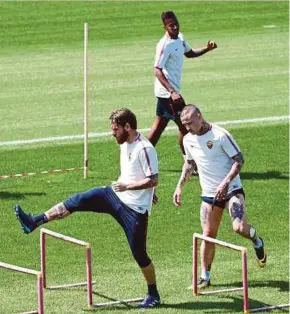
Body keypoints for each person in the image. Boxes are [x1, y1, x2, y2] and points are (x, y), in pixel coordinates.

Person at [14, 108, 161, 308]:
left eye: (115, 129)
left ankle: (153, 295)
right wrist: (134, 187)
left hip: (134, 209)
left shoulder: (145, 148)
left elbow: (153, 179)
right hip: (114, 195)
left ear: (127, 127)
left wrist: (135, 188)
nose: (112, 133)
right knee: (78, 200)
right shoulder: (125, 143)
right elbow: (138, 174)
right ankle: (35, 221)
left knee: (139, 254)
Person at [173, 104, 267, 288]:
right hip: (209, 194)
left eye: (190, 123)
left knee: (239, 227)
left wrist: (225, 182)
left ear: (200, 117)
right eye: (184, 124)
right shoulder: (187, 140)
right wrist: (179, 187)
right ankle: (205, 276)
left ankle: (257, 240)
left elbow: (239, 160)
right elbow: (189, 163)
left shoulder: (220, 135)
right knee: (208, 235)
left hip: (231, 190)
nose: (187, 127)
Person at [148, 10, 217, 161]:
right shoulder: (164, 45)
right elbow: (157, 70)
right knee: (186, 126)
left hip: (169, 93)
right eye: (171, 26)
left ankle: (141, 156)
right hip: (168, 94)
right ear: (165, 27)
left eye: (176, 24)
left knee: (159, 126)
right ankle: (190, 162)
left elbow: (190, 53)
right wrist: (172, 91)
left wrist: (207, 49)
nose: (175, 28)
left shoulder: (180, 38)